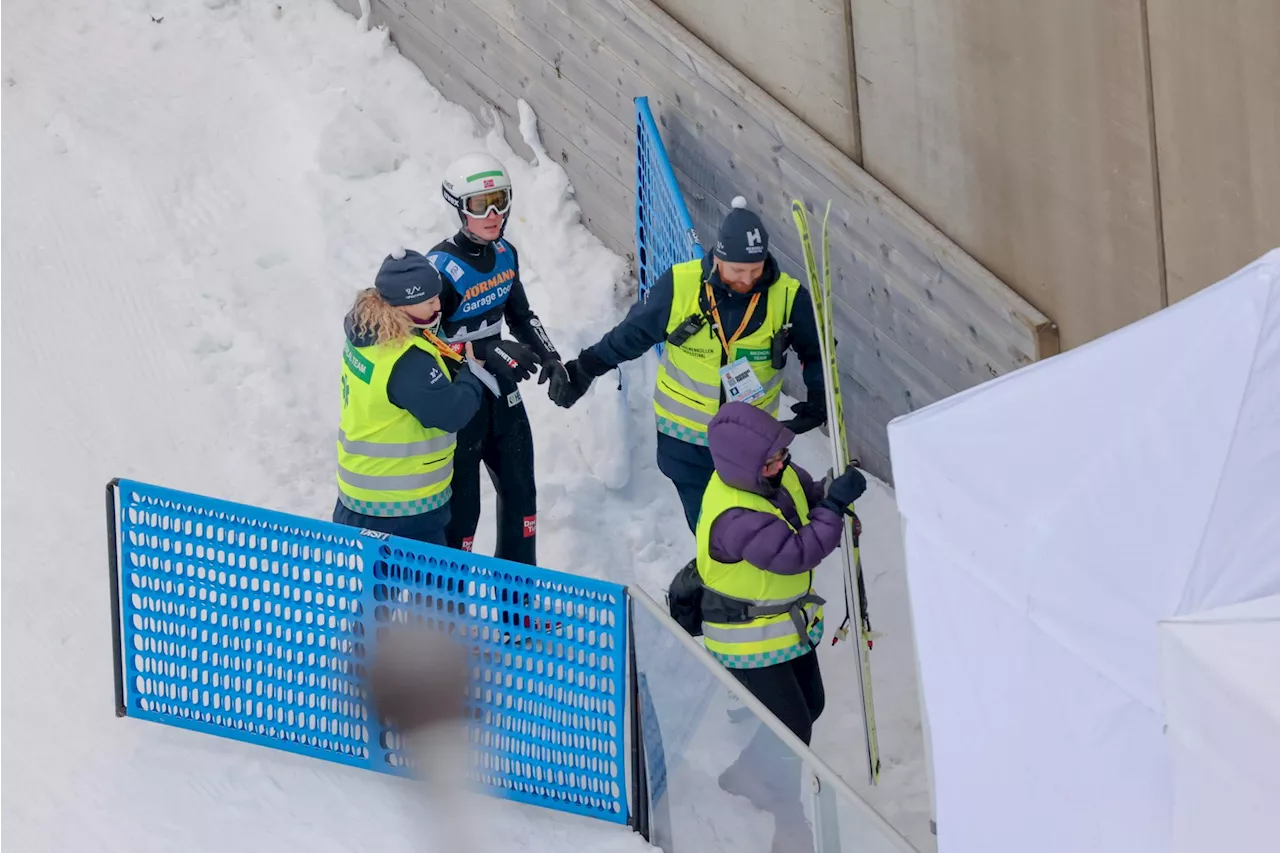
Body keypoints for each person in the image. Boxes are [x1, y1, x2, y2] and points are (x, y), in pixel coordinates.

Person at [547, 196, 828, 532]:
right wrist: (585, 368)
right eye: (738, 270)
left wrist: (819, 396)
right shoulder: (681, 285)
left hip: (750, 442)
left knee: (755, 529)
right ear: (718, 257)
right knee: (709, 531)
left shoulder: (787, 296)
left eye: (756, 270)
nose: (747, 280)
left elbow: (817, 352)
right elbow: (632, 335)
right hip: (685, 441)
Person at [693, 401, 866, 853]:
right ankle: (789, 822)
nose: (782, 464)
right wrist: (833, 506)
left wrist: (830, 490)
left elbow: (805, 495)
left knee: (811, 705)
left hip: (782, 626)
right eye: (771, 461)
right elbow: (795, 554)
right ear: (742, 465)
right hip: (745, 636)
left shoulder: (770, 473)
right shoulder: (735, 515)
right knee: (791, 729)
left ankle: (749, 772)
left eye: (782, 455)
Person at [427, 152, 567, 565]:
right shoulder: (440, 269)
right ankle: (448, 615)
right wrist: (488, 349)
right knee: (463, 513)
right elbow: (422, 342)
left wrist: (552, 358)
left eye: (501, 200)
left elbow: (520, 316)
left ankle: (517, 615)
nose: (493, 214)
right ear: (457, 206)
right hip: (461, 397)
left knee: (523, 501)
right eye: (478, 205)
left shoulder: (506, 253)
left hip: (500, 392)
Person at [333, 248, 486, 545]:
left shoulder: (367, 333)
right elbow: (451, 413)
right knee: (426, 589)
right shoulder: (406, 360)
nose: (438, 306)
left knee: (371, 587)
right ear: (403, 306)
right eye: (429, 301)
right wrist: (472, 373)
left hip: (358, 496)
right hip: (403, 508)